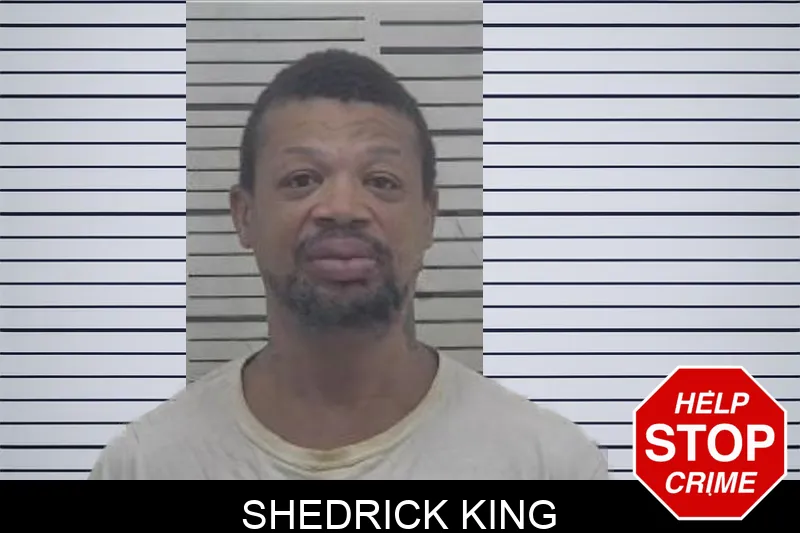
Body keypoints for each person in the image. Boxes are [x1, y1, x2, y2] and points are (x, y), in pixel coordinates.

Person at [89, 49, 608, 480]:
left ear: (428, 216)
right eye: (302, 179)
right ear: (244, 216)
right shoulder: (143, 466)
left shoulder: (548, 466)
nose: (342, 208)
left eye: (381, 181)